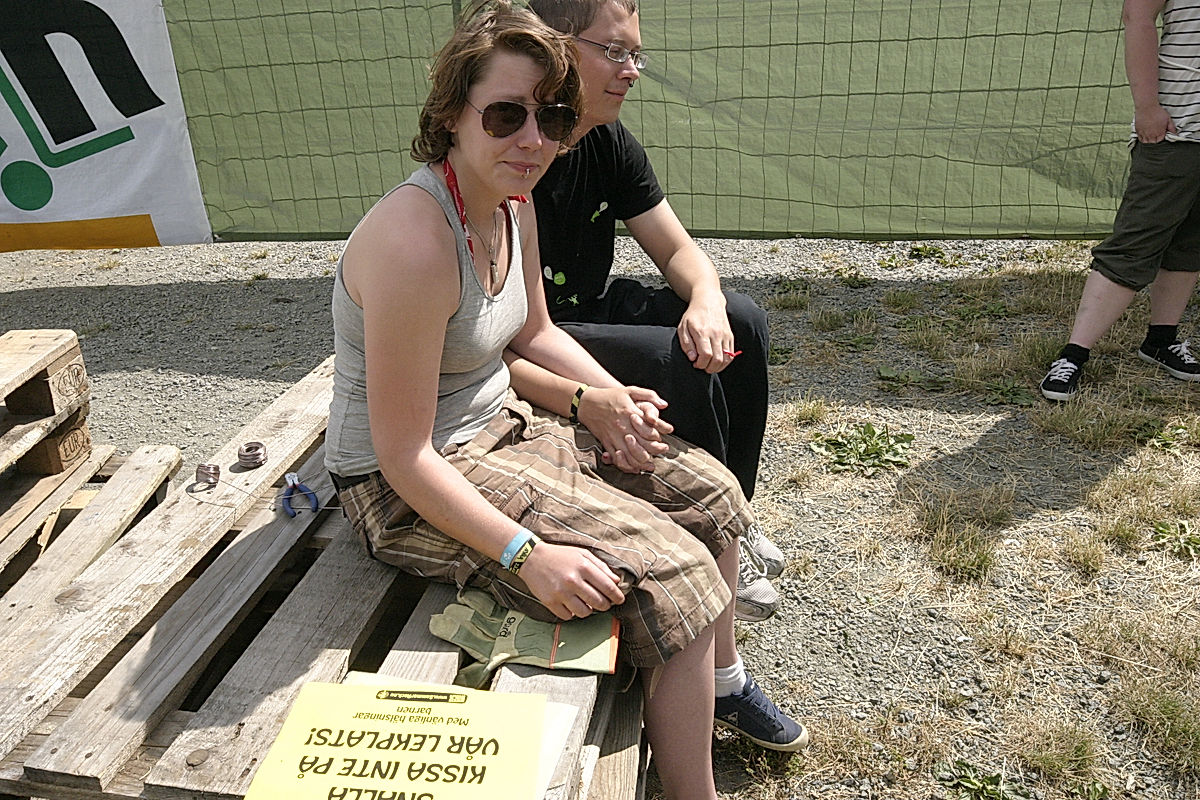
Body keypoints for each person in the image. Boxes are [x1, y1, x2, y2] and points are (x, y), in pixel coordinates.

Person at [324, 4, 808, 797]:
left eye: (550, 116)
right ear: (451, 115)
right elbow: (401, 455)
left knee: (716, 497)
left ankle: (716, 687)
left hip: (500, 425)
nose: (532, 140)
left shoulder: (512, 204)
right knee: (680, 578)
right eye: (506, 115)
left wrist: (607, 400)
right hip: (404, 484)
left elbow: (537, 332)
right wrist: (527, 555)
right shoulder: (414, 241)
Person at [526, 0, 784, 622]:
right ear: (554, 46)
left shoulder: (606, 140)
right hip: (534, 333)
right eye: (614, 51)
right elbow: (512, 325)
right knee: (669, 354)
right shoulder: (519, 146)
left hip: (585, 310)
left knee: (742, 321)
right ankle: (697, 528)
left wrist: (708, 301)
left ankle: (731, 514)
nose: (631, 70)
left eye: (636, 54)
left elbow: (675, 248)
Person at [1040, 0, 1200, 402]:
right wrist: (1148, 107)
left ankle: (1161, 341)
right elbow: (1137, 18)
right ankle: (1073, 355)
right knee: (1135, 242)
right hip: (1180, 127)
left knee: (1192, 242)